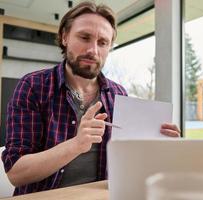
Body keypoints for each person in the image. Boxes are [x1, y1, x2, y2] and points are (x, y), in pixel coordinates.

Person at [1, 1, 180, 195]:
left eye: (103, 43)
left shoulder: (118, 94)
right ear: (64, 37)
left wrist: (160, 147)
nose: (93, 50)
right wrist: (76, 145)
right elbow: (16, 172)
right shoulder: (33, 86)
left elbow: (128, 162)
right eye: (84, 37)